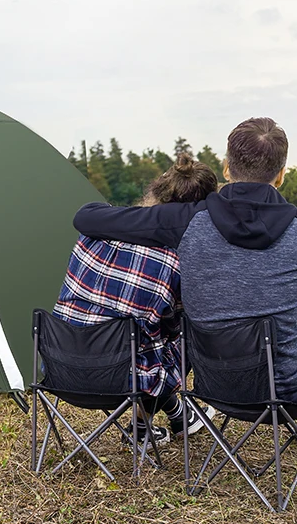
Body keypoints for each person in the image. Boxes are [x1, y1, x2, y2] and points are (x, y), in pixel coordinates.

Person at [73, 118, 297, 472]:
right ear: (281, 175)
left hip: (216, 388)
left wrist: (153, 215)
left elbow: (86, 217)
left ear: (227, 168)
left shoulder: (183, 220)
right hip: (291, 392)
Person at [53, 153, 218, 446]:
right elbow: (170, 332)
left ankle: (180, 415)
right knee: (182, 333)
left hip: (60, 368)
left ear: (155, 192)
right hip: (120, 381)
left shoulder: (91, 235)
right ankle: (142, 427)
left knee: (143, 333)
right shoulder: (173, 261)